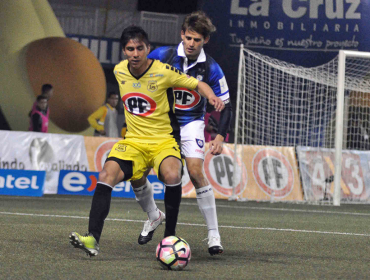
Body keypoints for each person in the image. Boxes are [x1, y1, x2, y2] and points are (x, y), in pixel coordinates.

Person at [69, 25, 224, 257]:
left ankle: (169, 238)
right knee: (106, 176)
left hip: (163, 141)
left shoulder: (163, 71)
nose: (135, 53)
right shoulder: (120, 71)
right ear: (124, 51)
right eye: (130, 49)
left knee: (172, 175)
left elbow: (195, 84)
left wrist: (210, 95)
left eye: (140, 48)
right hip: (133, 143)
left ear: (147, 49)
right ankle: (93, 239)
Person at [146, 11, 233, 255]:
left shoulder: (212, 68)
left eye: (197, 39)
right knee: (156, 173)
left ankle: (213, 234)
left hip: (192, 123)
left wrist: (219, 137)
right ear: (182, 34)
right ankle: (154, 215)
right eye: (188, 38)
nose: (191, 43)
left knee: (195, 171)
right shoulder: (163, 55)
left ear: (205, 40)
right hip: (162, 124)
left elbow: (226, 106)